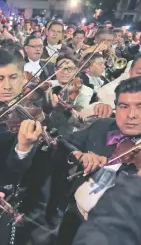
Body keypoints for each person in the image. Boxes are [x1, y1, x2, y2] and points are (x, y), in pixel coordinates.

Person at [56, 76, 141, 244]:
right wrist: (79, 155)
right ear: (115, 107)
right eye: (124, 106)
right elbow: (63, 142)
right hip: (72, 219)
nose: (131, 115)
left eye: (140, 107)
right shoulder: (101, 126)